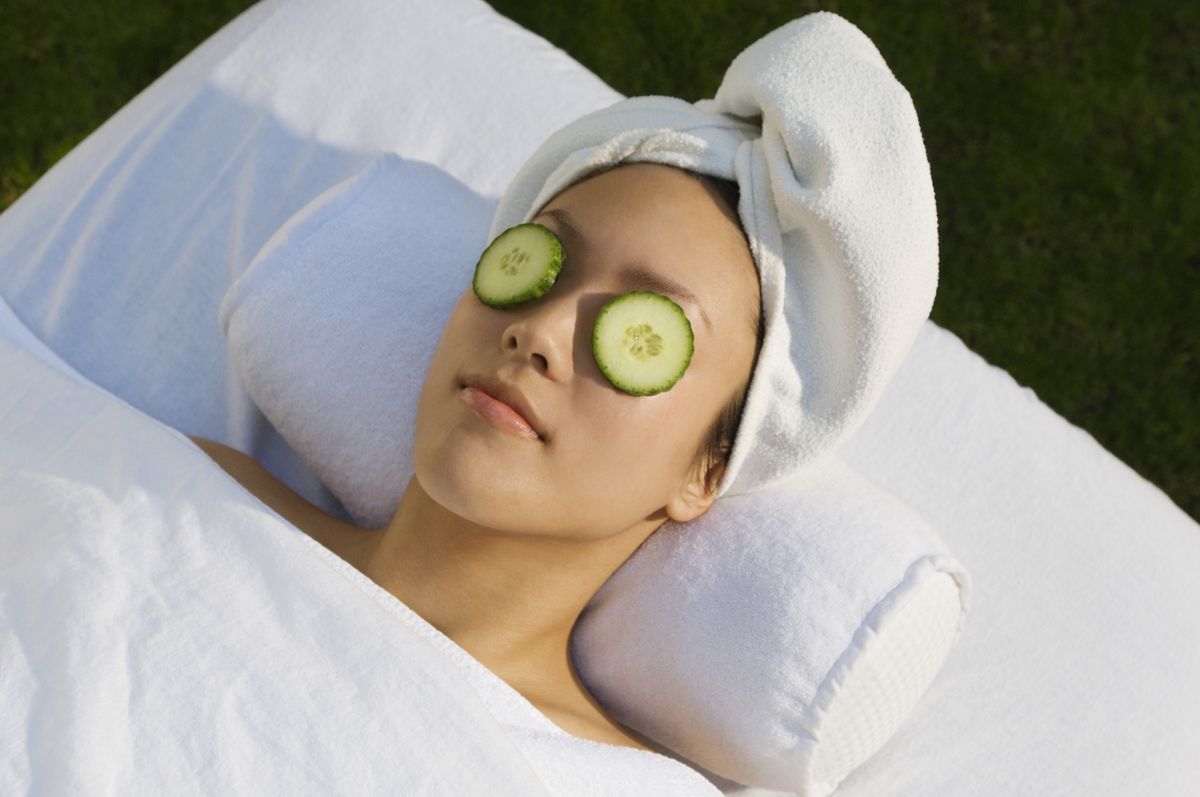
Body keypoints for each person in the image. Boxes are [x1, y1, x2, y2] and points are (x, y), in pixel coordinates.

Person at [190, 160, 765, 753]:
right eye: (545, 264)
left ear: (707, 472)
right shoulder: (179, 485)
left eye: (643, 331)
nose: (539, 330)